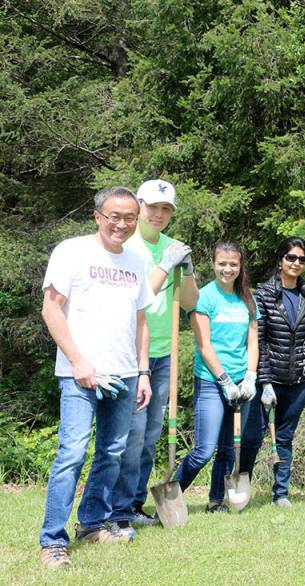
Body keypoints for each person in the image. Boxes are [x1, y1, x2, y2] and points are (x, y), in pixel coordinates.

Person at [38, 186, 154, 568]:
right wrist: (78, 361)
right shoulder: (71, 251)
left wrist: (143, 372)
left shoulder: (137, 260)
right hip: (79, 374)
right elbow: (51, 310)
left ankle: (91, 523)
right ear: (97, 216)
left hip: (123, 372)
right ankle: (53, 540)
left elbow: (140, 321)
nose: (121, 224)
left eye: (129, 218)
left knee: (112, 453)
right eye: (114, 216)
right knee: (72, 453)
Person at [109, 179, 199, 536]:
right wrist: (165, 264)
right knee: (131, 435)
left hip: (164, 352)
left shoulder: (171, 247)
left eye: (166, 209)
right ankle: (115, 507)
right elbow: (141, 296)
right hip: (131, 353)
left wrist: (187, 270)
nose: (159, 214)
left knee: (150, 435)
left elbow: (191, 303)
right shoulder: (126, 246)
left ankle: (132, 504)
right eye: (153, 207)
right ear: (139, 206)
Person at [237, 237, 305, 508]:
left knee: (285, 436)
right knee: (253, 436)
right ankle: (241, 489)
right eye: (291, 257)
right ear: (280, 260)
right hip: (269, 378)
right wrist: (264, 382)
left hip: (299, 380)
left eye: (301, 259)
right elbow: (259, 340)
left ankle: (281, 494)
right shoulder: (263, 294)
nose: (296, 263)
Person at [174, 240, 259, 512]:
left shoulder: (247, 298)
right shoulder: (204, 297)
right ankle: (173, 497)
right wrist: (224, 380)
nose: (227, 269)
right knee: (204, 450)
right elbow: (204, 345)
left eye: (233, 264)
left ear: (240, 265)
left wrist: (250, 377)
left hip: (241, 383)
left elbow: (253, 342)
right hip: (212, 381)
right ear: (213, 264)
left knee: (227, 448)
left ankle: (216, 501)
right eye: (222, 263)